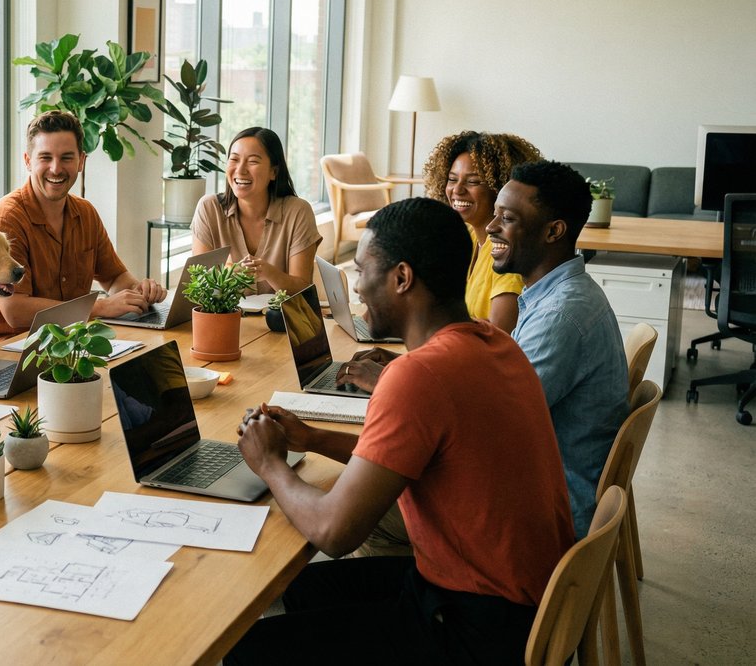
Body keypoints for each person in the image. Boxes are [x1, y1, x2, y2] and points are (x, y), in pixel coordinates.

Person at [227, 198, 573, 665]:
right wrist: (312, 439)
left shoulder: (420, 376)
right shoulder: (492, 343)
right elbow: (418, 457)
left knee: (247, 650)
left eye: (362, 269)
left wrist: (269, 463)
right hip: (522, 599)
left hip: (479, 627)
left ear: (402, 278)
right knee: (303, 590)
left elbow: (334, 532)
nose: (356, 286)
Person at [489, 160, 630, 538]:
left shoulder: (560, 316)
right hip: (546, 482)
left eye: (508, 218)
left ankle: (437, 594)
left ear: (554, 231)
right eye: (495, 215)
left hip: (546, 511)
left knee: (379, 511)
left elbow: (491, 424)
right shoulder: (558, 294)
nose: (491, 228)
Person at [0, 111, 166, 337]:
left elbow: (114, 278)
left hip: (71, 341)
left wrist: (139, 292)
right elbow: (15, 311)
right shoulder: (5, 220)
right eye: (45, 157)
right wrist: (100, 307)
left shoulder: (85, 213)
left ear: (81, 161)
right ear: (28, 161)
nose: (56, 169)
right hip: (11, 350)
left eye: (66, 158)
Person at [423, 130, 543, 333]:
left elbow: (497, 335)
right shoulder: (466, 234)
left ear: (501, 187)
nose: (457, 190)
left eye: (473, 181)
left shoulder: (508, 250)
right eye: (452, 179)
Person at [191, 127, 322, 295]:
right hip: (224, 318)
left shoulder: (298, 212)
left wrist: (268, 272)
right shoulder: (209, 208)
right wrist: (231, 274)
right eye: (234, 160)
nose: (240, 170)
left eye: (252, 161)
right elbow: (198, 283)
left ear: (273, 172)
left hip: (277, 319)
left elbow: (303, 289)